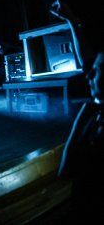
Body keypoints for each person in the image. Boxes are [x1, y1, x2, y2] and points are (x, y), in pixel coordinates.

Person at [58, 51, 104, 214]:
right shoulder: (98, 116)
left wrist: (80, 121)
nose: (88, 75)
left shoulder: (96, 122)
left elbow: (65, 171)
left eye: (97, 70)